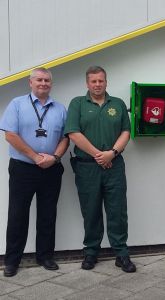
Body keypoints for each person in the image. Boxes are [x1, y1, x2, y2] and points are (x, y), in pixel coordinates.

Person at [64, 66, 136, 273]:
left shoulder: (118, 104)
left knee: (118, 210)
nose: (97, 84)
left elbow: (126, 131)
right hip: (87, 168)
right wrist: (99, 155)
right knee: (91, 210)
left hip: (114, 165)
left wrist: (111, 153)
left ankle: (121, 254)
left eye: (101, 81)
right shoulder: (77, 103)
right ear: (87, 83)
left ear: (106, 82)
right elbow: (73, 133)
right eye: (93, 81)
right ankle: (91, 252)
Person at [0, 68, 69, 277]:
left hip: (51, 168)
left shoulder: (60, 108)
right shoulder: (17, 104)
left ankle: (45, 256)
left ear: (51, 84)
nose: (43, 83)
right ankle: (12, 261)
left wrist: (54, 158)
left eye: (47, 80)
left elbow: (66, 137)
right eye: (39, 79)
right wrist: (35, 156)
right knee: (17, 214)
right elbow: (10, 136)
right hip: (23, 168)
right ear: (30, 83)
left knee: (48, 214)